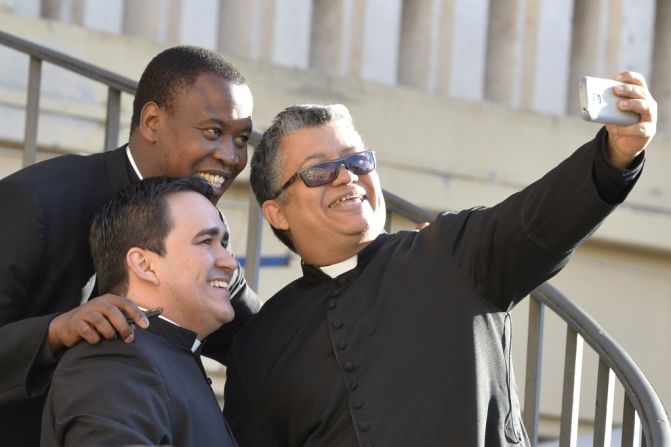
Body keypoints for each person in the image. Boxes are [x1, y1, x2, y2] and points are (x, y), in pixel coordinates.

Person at [223, 72, 656, 446]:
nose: (347, 176)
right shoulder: (260, 346)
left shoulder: (450, 253)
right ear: (276, 212)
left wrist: (615, 156)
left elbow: (539, 218)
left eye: (356, 159)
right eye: (319, 171)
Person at [0, 45, 260, 445]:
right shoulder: (36, 202)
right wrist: (54, 331)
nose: (231, 156)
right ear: (152, 122)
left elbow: (263, 340)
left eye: (241, 139)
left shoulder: (202, 218)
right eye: (213, 132)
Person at [42, 176, 240, 446]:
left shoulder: (159, 352)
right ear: (143, 265)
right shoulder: (113, 361)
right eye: (206, 241)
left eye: (224, 244)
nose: (230, 263)